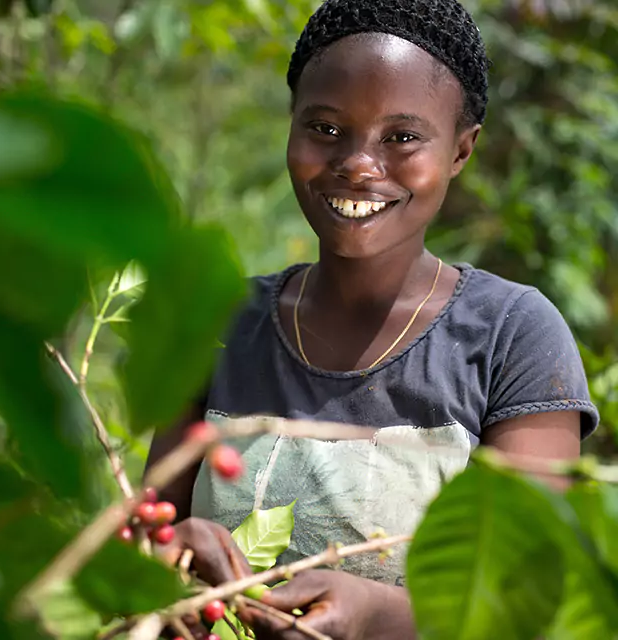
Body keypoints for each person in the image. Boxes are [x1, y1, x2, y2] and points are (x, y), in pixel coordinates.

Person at [146, 0, 599, 637]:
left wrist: (382, 617)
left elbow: (526, 606)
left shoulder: (512, 336)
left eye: (402, 137)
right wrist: (171, 556)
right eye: (326, 128)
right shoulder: (217, 323)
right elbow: (140, 553)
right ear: (292, 126)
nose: (359, 163)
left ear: (462, 151)